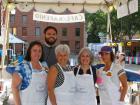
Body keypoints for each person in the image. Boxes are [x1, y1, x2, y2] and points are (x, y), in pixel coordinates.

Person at [12, 41, 48, 105]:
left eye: (40, 51)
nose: (37, 53)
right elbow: (14, 87)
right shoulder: (22, 67)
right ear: (29, 52)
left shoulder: (45, 67)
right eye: (34, 50)